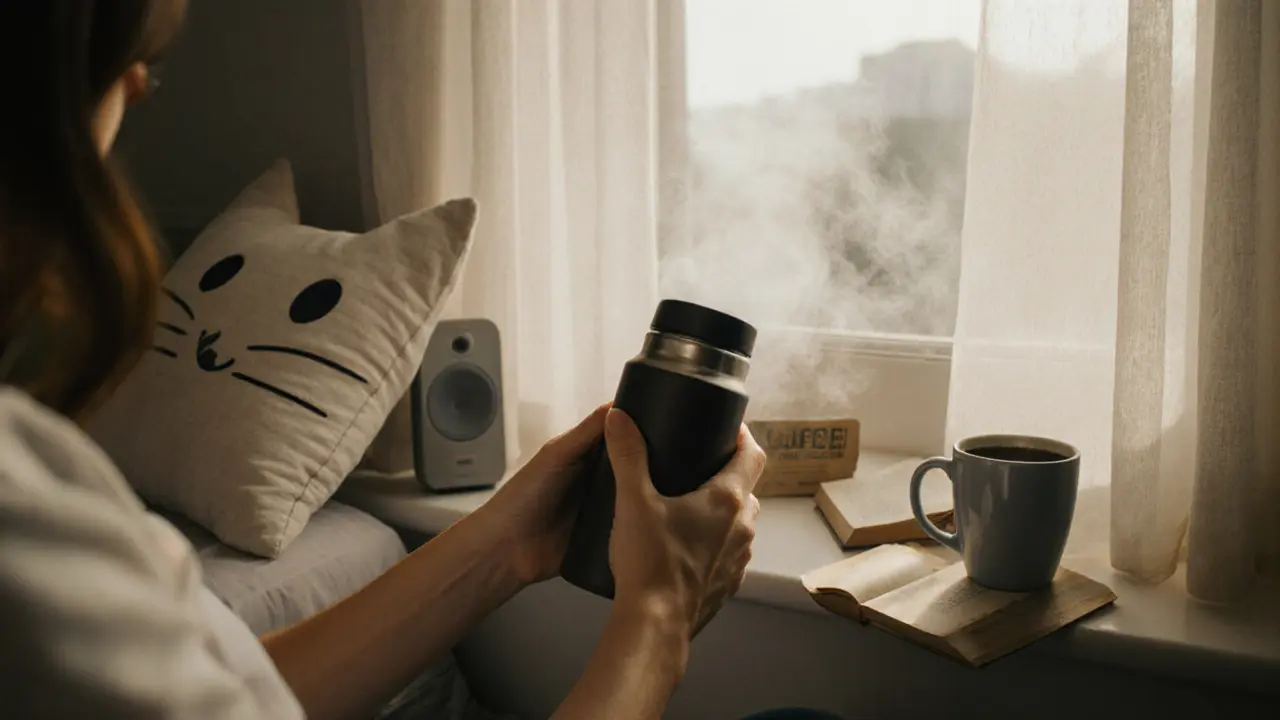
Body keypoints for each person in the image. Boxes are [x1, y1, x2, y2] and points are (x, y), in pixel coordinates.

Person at [0, 2, 793, 719]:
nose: (139, 89)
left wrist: (503, 545)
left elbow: (225, 695)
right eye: (124, 60)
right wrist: (659, 615)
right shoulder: (25, 504)